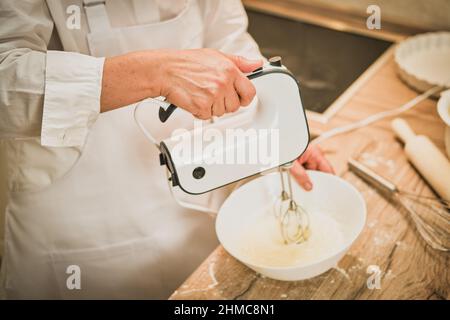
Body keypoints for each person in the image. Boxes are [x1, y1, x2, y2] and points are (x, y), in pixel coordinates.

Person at [0, 0, 333, 299]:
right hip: (83, 222)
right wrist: (154, 73)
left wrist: (274, 129)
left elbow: (227, 37)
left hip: (200, 200)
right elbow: (7, 80)